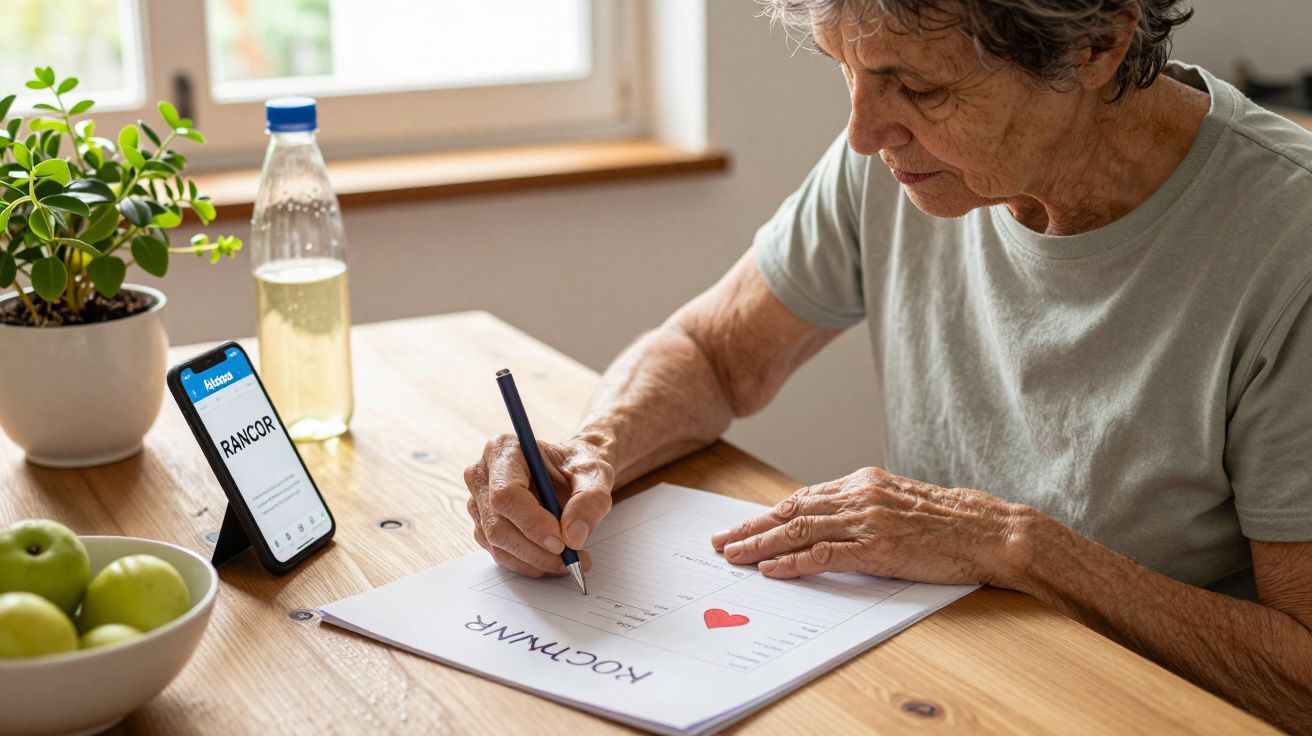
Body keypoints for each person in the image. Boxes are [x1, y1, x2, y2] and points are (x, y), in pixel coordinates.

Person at [464, 0, 1312, 728]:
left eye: (921, 86)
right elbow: (714, 353)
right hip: (944, 688)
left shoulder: (1288, 246)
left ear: (1096, 46)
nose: (864, 134)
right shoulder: (910, 163)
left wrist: (1015, 546)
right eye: (846, 69)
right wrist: (591, 453)